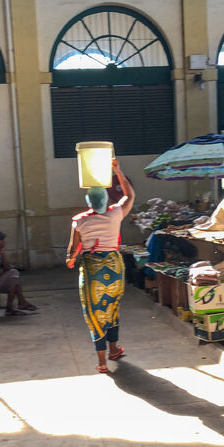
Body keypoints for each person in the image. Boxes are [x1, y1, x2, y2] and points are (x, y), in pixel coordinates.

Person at [66, 157, 135, 373]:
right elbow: (129, 195)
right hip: (114, 269)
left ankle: (103, 362)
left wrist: (70, 258)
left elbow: (72, 252)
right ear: (106, 200)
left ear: (89, 202)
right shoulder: (116, 213)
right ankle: (114, 349)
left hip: (92, 271)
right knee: (112, 309)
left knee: (94, 313)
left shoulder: (79, 221)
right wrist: (117, 170)